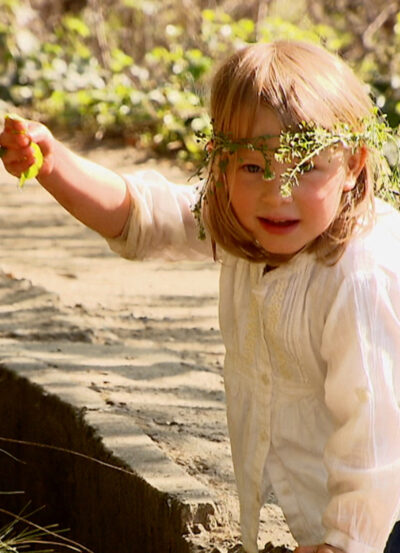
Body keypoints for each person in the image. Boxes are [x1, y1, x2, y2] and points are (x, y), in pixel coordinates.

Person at [1, 40, 400, 553]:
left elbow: (377, 437)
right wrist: (54, 165)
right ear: (220, 164)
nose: (277, 192)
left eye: (306, 168)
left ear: (353, 166)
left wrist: (344, 542)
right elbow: (142, 217)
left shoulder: (361, 275)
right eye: (253, 167)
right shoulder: (246, 224)